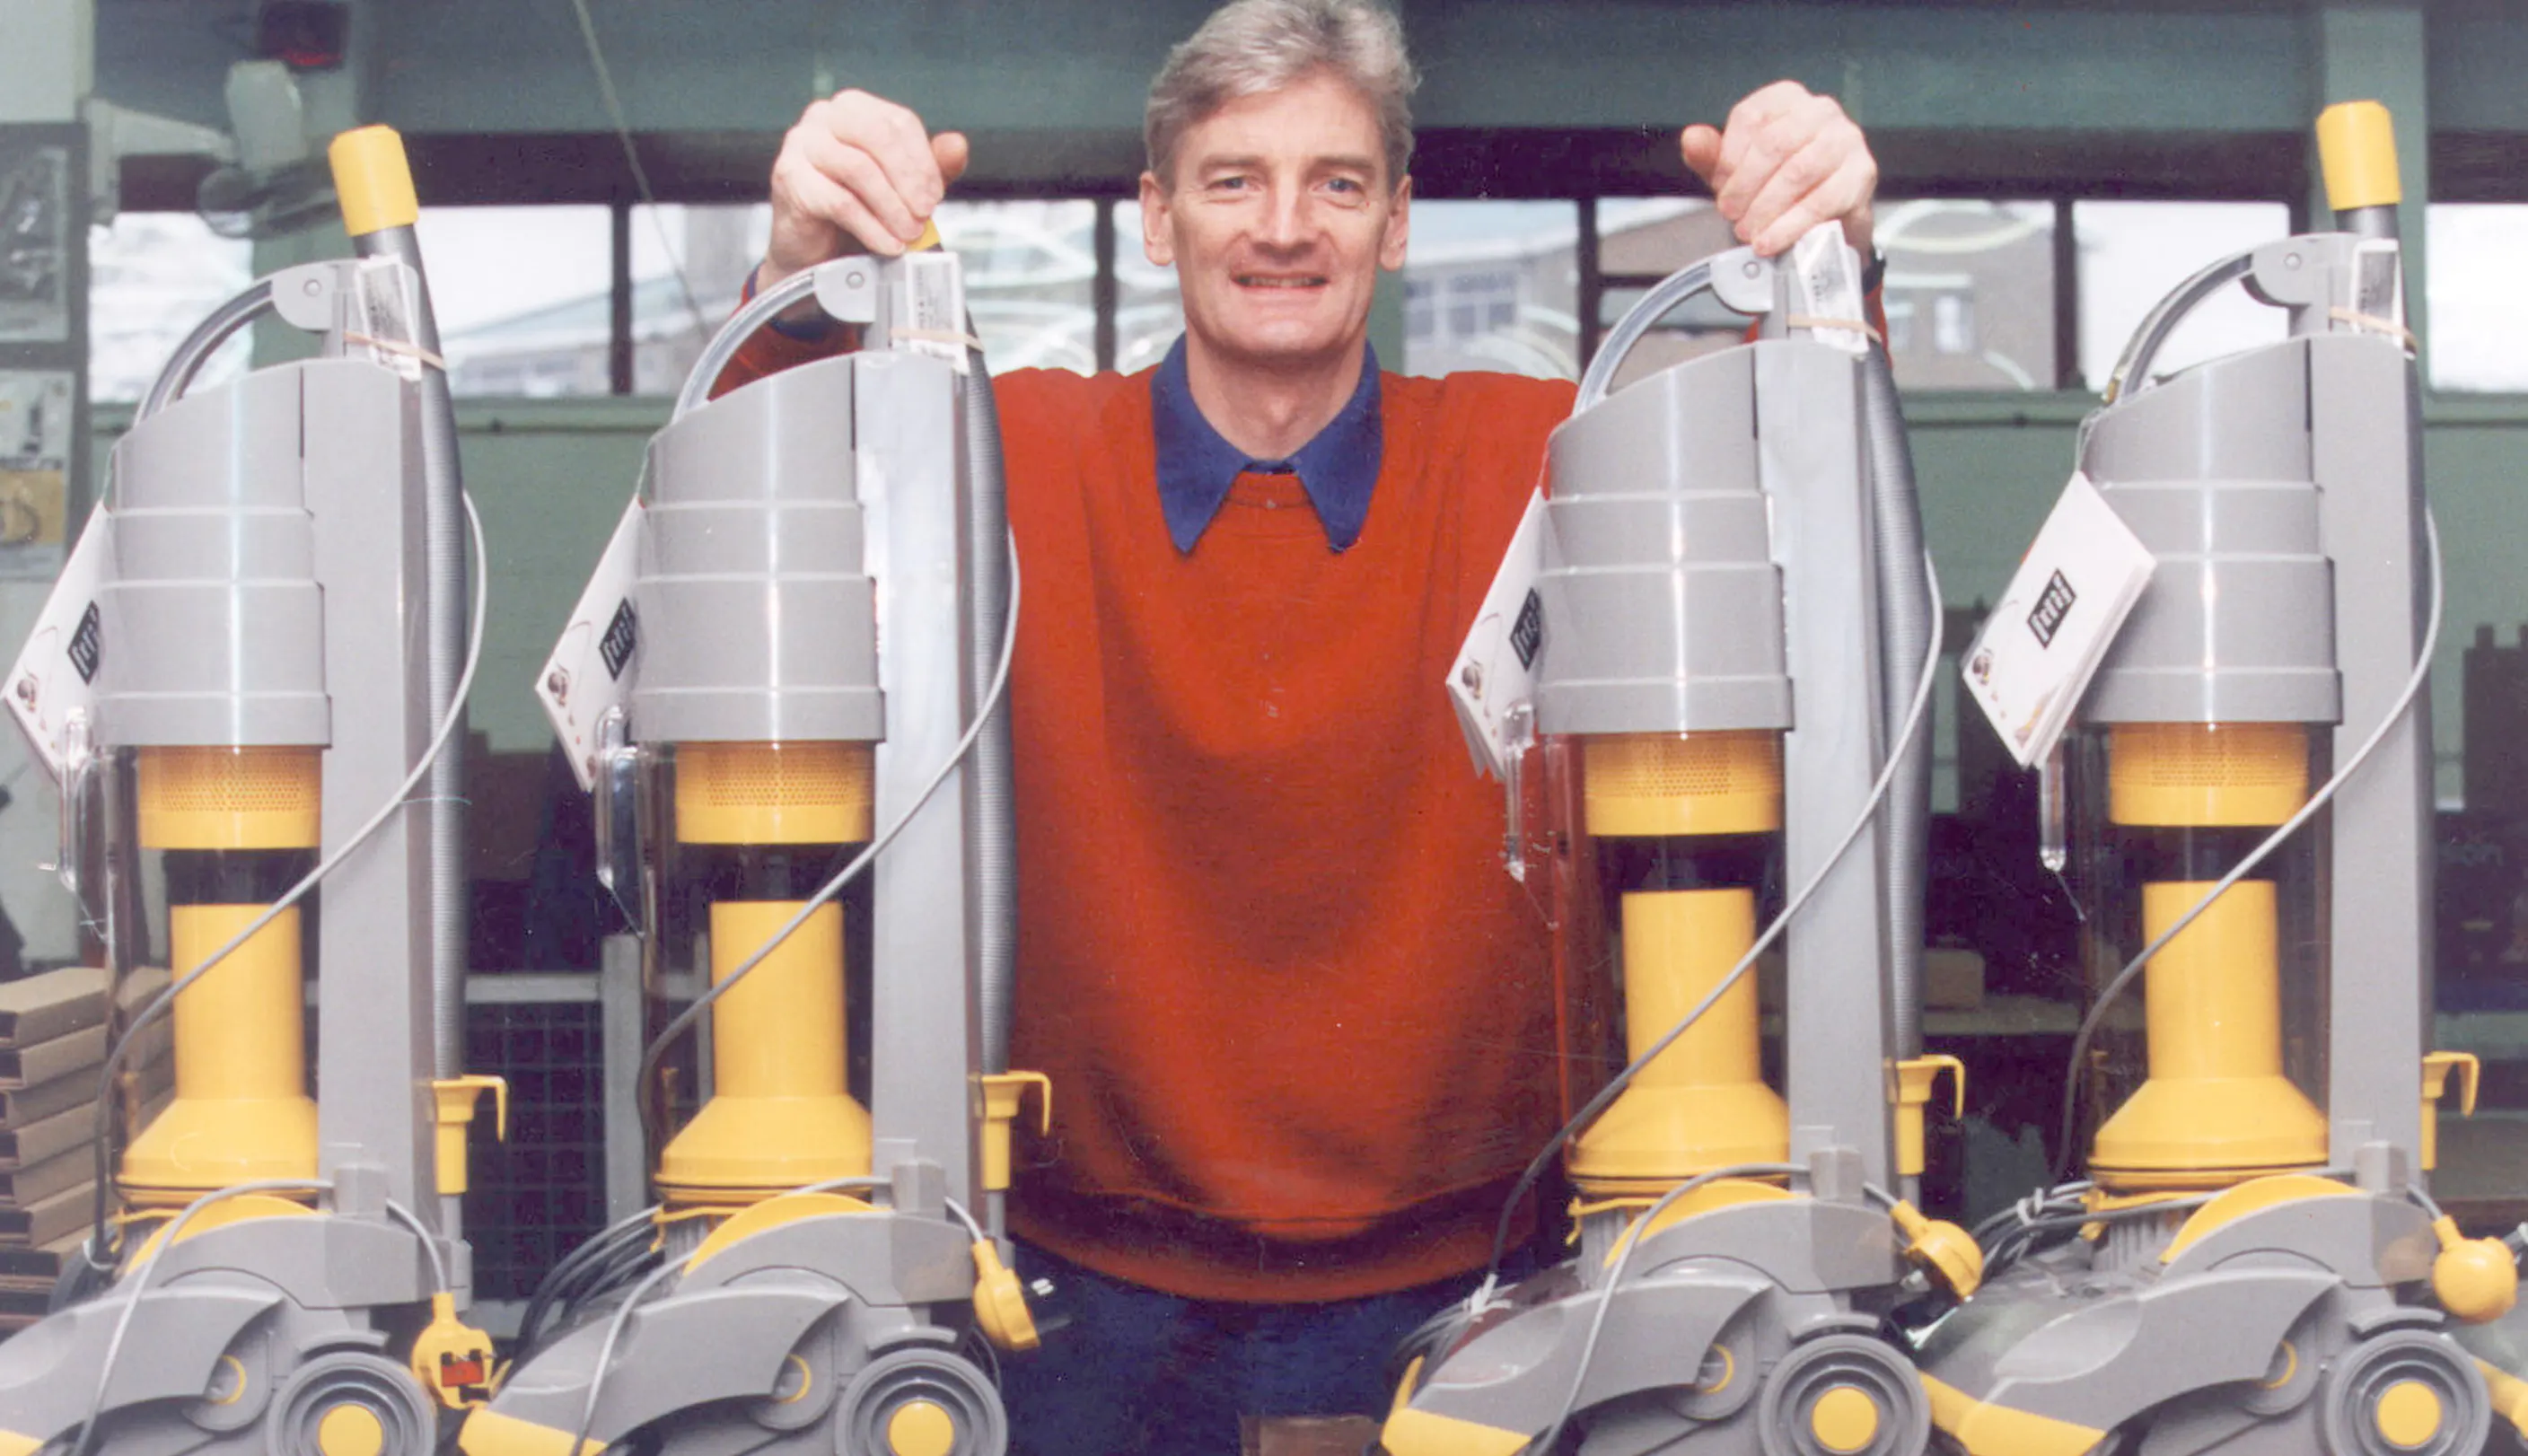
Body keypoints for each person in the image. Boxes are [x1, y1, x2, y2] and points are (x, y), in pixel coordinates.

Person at [715, 3, 1879, 1450]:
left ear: (1396, 224)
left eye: (1335, 182)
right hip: (1080, 1304)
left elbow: (1807, 510)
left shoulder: (1546, 452)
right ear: (1154, 218)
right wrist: (795, 276)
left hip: (1485, 1277)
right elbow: (753, 515)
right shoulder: (999, 455)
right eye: (1230, 180)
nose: (1284, 228)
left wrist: (1830, 256)